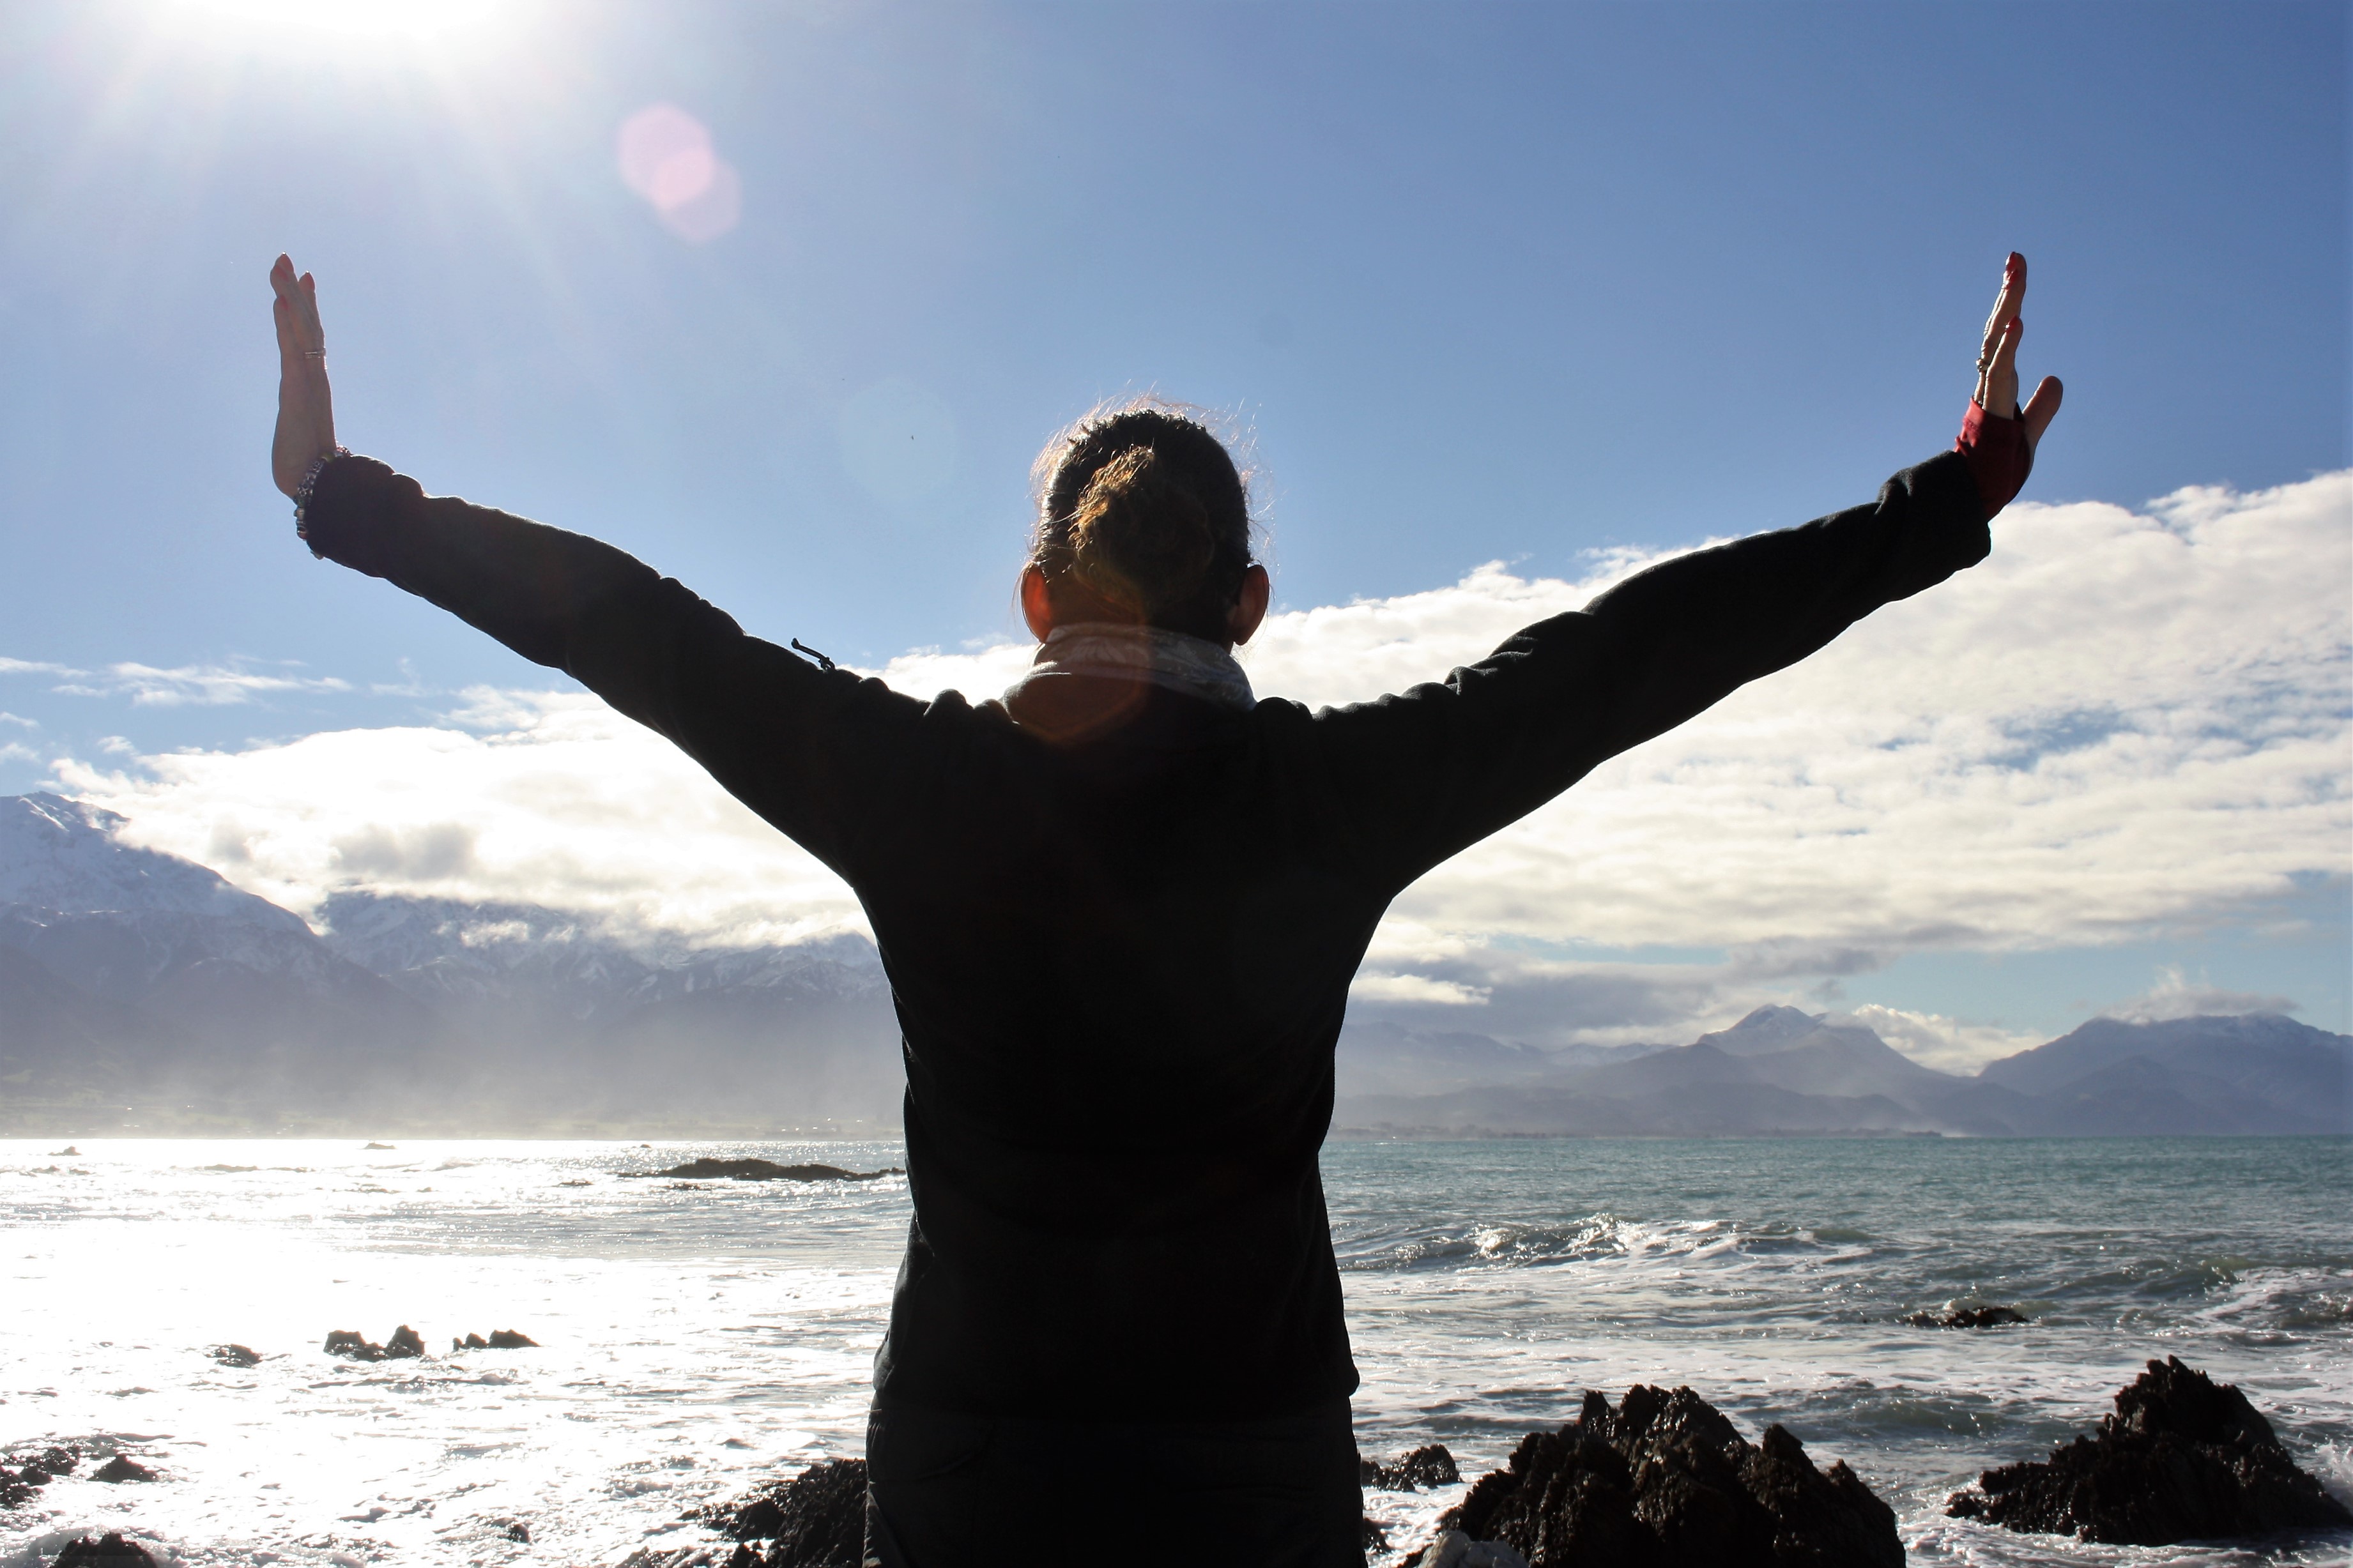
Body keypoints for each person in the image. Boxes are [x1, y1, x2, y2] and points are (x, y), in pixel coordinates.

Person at [266, 252, 2060, 1567]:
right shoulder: (1334, 800)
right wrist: (1944, 499)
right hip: (1249, 1449)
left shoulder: (909, 784)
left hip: (973, 1447)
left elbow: (632, 627)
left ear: (1038, 592)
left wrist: (346, 500)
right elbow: (1629, 656)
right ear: (1254, 601)